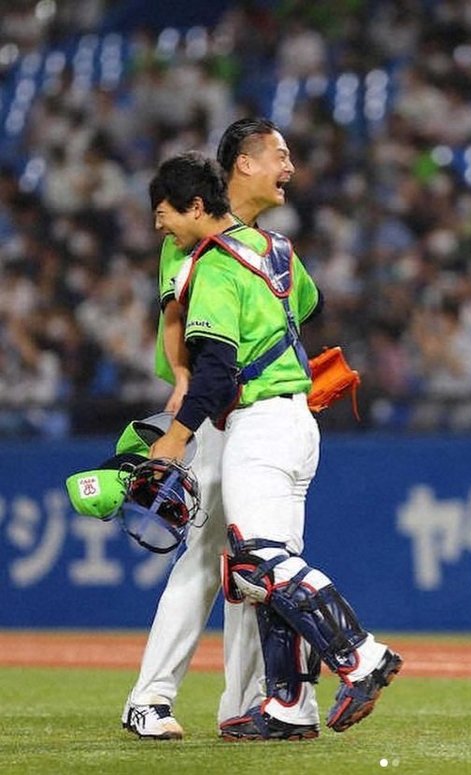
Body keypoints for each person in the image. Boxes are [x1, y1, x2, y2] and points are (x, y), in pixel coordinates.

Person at [147, 149, 402, 740]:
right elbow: (308, 306)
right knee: (264, 568)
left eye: (165, 214)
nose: (161, 227)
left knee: (257, 559)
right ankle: (290, 705)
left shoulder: (211, 264)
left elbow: (213, 372)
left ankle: (360, 653)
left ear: (194, 206)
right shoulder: (276, 249)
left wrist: (176, 439)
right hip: (299, 420)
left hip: (259, 422)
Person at [123, 118, 300, 740]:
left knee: (248, 560)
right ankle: (149, 698)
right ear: (242, 166)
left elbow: (305, 309)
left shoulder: (261, 244)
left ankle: (243, 702)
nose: (289, 167)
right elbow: (174, 314)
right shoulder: (192, 239)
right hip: (211, 412)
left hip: (250, 410)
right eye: (279, 154)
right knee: (208, 555)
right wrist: (179, 381)